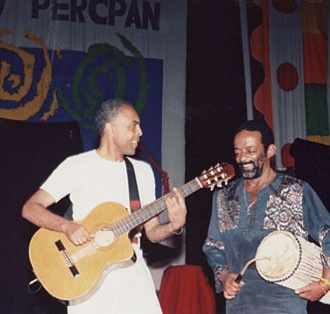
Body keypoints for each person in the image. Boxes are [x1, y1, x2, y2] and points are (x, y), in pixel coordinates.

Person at [22, 98, 187, 314]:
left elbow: (153, 232)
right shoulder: (76, 166)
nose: (140, 132)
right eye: (133, 125)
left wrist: (174, 226)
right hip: (87, 275)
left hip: (132, 268)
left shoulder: (143, 172)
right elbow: (30, 208)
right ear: (110, 128)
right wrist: (67, 227)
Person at [203, 119, 330, 314]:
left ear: (270, 151)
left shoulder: (296, 191)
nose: (242, 158)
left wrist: (325, 283)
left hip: (287, 307)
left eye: (250, 151)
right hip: (239, 306)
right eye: (237, 152)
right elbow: (214, 247)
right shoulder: (223, 197)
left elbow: (328, 234)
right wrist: (225, 277)